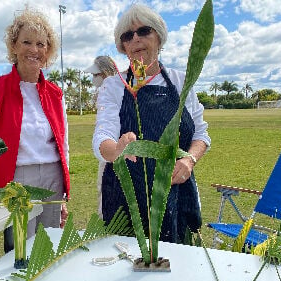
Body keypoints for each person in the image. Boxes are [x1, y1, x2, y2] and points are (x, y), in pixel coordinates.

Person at [92, 3, 211, 243]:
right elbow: (103, 133)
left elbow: (201, 134)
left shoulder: (180, 82)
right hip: (126, 199)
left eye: (143, 31)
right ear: (123, 46)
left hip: (175, 194)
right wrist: (116, 150)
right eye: (128, 36)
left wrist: (189, 160)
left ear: (158, 36)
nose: (135, 39)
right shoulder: (114, 86)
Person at [0, 7, 70, 237]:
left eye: (41, 44)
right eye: (27, 42)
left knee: (50, 245)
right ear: (14, 46)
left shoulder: (55, 94)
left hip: (53, 178)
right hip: (16, 180)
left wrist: (62, 196)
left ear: (48, 50)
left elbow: (64, 146)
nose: (34, 50)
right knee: (21, 251)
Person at [84, 56, 117, 218]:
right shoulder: (104, 93)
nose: (93, 80)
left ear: (105, 73)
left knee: (106, 191)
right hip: (105, 150)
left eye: (96, 75)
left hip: (115, 152)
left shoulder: (115, 90)